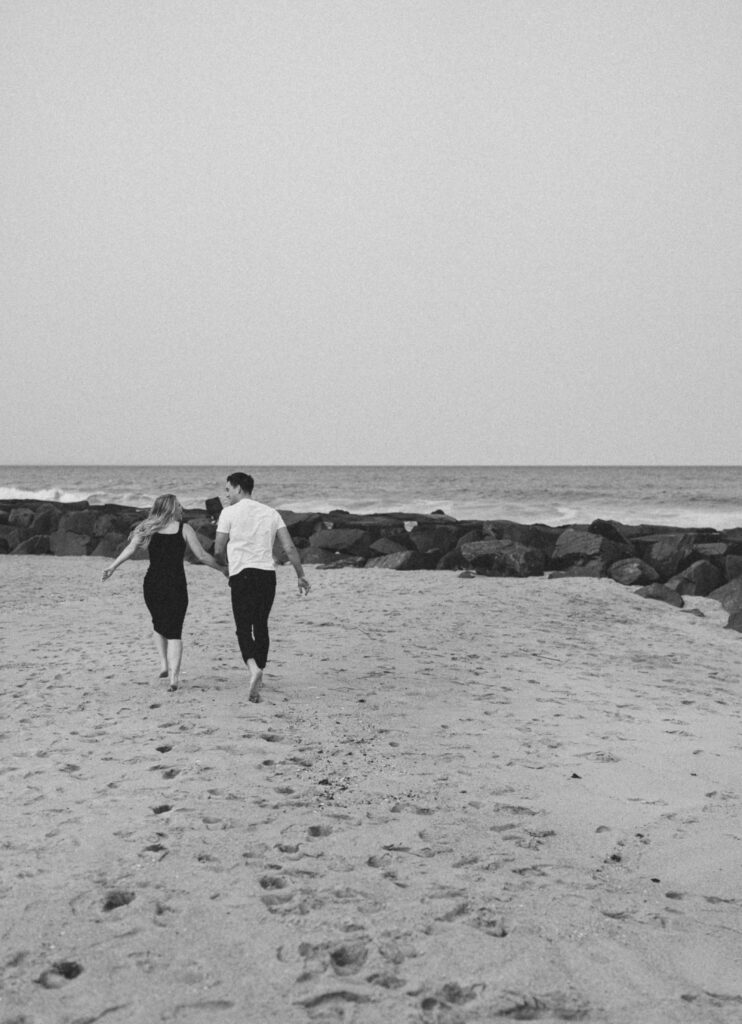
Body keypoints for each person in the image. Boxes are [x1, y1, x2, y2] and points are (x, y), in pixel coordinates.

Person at [102, 494, 227, 691]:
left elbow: (131, 548)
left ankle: (163, 663)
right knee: (174, 630)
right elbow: (202, 555)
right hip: (176, 584)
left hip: (153, 583)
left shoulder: (147, 528)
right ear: (170, 508)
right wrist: (223, 570)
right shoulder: (184, 529)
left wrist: (112, 566)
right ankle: (174, 679)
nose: (181, 508)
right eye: (178, 505)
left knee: (158, 623)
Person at [214, 472, 310, 702]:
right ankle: (261, 671)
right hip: (267, 576)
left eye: (228, 489)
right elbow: (289, 547)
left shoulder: (228, 513)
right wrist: (300, 575)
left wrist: (226, 566)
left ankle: (253, 669)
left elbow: (218, 549)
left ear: (239, 488)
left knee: (243, 627)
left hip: (242, 575)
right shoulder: (271, 513)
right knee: (261, 624)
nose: (226, 494)